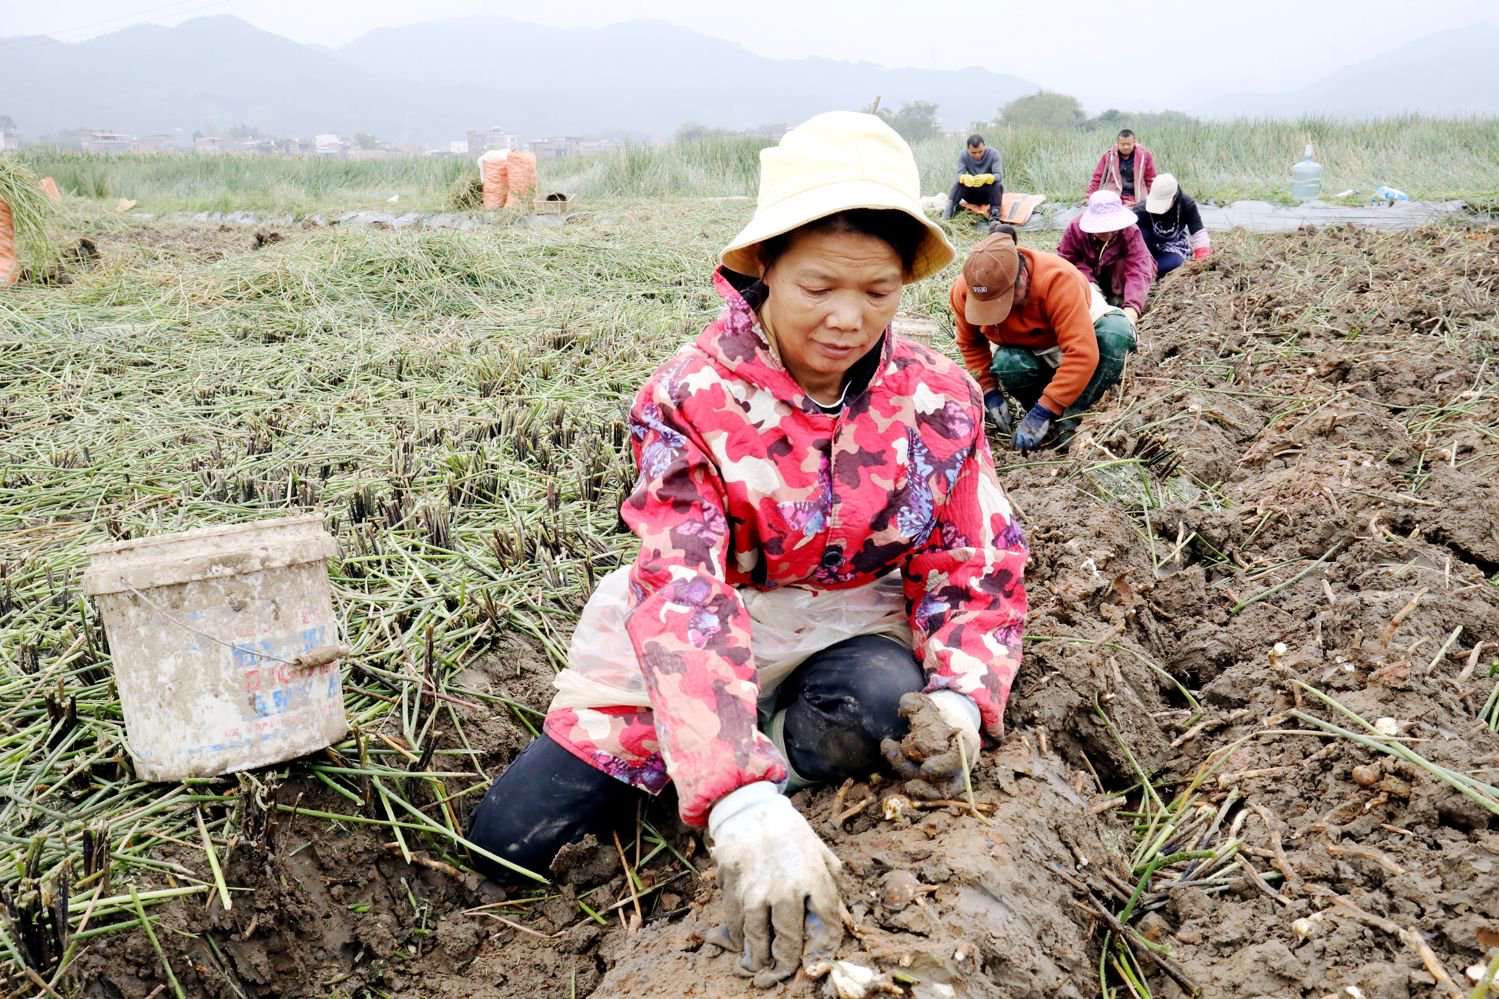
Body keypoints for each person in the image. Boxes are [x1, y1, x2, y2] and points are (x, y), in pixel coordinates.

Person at [466, 111, 1028, 986]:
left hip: (848, 629)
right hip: (709, 630)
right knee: (508, 844)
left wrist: (960, 695)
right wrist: (735, 796)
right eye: (817, 286)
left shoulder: (938, 398)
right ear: (764, 266)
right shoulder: (688, 396)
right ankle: (725, 768)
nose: (847, 318)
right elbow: (682, 590)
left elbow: (973, 559)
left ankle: (776, 751)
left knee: (890, 711)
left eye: (878, 291)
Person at [951, 227, 1137, 451]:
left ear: (1022, 276)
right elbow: (970, 343)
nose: (1000, 312)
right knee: (1008, 363)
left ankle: (1074, 412)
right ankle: (1043, 412)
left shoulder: (1057, 280)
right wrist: (988, 390)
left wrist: (1046, 408)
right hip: (1028, 348)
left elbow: (1081, 353)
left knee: (1116, 334)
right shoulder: (967, 291)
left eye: (1003, 302)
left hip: (1082, 335)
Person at [1058, 190, 1155, 323]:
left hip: (1118, 278)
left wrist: (1132, 309)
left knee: (1124, 264)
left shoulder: (1130, 231)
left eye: (1112, 229)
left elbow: (1139, 268)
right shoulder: (1075, 229)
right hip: (1090, 276)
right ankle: (1094, 298)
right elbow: (1065, 262)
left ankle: (1119, 299)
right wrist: (1087, 281)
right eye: (1102, 230)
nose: (1108, 234)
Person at [1133, 173, 1209, 275]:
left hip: (1173, 247)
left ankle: (1144, 271)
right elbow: (1127, 229)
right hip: (1148, 247)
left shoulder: (1186, 204)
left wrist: (1203, 260)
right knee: (1139, 231)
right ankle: (1140, 268)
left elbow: (1198, 233)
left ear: (1174, 197)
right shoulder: (1142, 208)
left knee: (1176, 263)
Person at [1086, 129, 1156, 207]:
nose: (1126, 147)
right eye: (1123, 144)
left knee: (1141, 211)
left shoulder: (1144, 155)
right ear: (1117, 143)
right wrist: (1089, 195)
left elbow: (1150, 178)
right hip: (1114, 195)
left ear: (1134, 142)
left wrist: (1153, 197)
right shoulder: (1109, 156)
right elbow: (1097, 177)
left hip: (1137, 196)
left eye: (1129, 144)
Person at [942, 133, 1004, 222]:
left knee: (997, 185)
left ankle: (994, 218)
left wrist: (987, 178)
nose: (977, 155)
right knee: (958, 185)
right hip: (972, 193)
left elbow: (999, 175)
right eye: (973, 153)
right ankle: (947, 215)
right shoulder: (964, 155)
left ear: (984, 146)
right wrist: (963, 178)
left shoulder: (994, 153)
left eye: (980, 151)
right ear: (968, 149)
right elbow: (958, 175)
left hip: (988, 194)